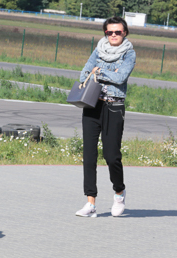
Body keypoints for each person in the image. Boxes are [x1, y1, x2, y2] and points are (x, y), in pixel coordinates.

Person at [75, 16, 136, 218]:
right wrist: (100, 71)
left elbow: (120, 77)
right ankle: (90, 202)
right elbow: (84, 74)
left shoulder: (129, 53)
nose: (113, 35)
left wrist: (98, 71)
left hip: (114, 108)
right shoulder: (98, 49)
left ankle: (119, 192)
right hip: (92, 105)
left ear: (125, 33)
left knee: (112, 156)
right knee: (89, 156)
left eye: (117, 32)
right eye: (109, 32)